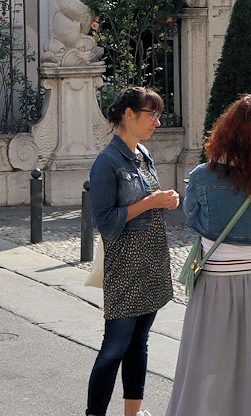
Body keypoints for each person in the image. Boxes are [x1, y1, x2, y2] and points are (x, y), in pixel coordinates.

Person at [165, 94, 251, 416]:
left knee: (206, 361)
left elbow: (192, 218)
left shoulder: (200, 176)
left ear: (224, 132)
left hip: (215, 278)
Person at [86, 86, 180, 416]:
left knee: (140, 342)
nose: (157, 121)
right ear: (129, 114)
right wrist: (150, 203)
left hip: (151, 262)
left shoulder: (142, 153)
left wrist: (163, 201)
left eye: (158, 114)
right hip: (125, 266)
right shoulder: (106, 162)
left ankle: (133, 412)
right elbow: (107, 223)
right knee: (114, 347)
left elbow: (146, 201)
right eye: (151, 114)